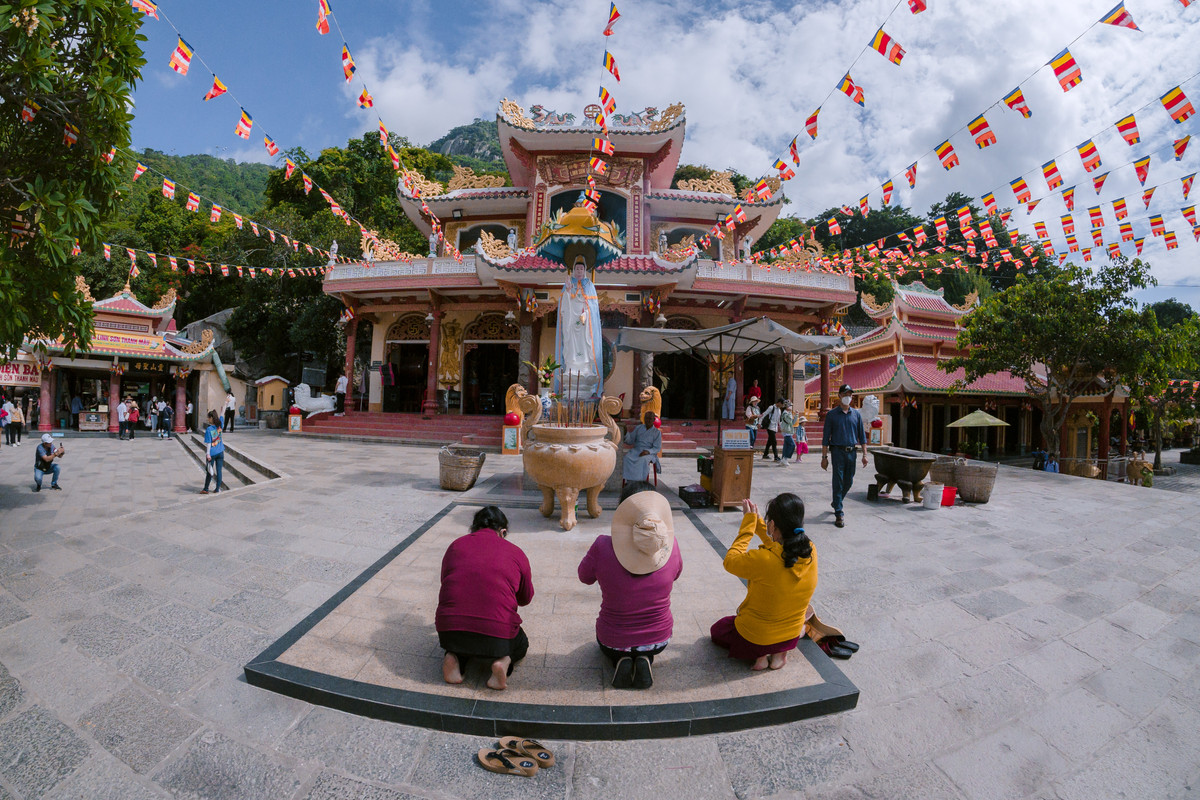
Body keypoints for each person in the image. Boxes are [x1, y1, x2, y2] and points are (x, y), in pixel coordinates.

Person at [578, 486, 683, 689]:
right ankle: (646, 658)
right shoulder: (672, 546)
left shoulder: (602, 545)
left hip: (611, 640)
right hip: (659, 639)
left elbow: (584, 577)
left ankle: (620, 659)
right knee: (647, 645)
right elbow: (676, 574)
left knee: (616, 645)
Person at [711, 494, 817, 670]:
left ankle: (760, 657)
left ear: (773, 525)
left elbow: (730, 561)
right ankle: (779, 655)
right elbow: (781, 546)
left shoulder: (763, 559)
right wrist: (760, 523)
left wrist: (748, 524)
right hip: (791, 635)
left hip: (757, 638)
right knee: (784, 625)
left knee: (718, 629)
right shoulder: (810, 549)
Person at [436, 505, 534, 691]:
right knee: (521, 643)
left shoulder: (455, 545)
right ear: (503, 532)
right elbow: (525, 598)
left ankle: (453, 658)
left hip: (449, 631)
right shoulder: (516, 552)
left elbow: (445, 581)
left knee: (462, 639)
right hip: (497, 635)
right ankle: (502, 662)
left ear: (474, 528)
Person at [821, 384, 868, 528]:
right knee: (838, 481)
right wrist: (824, 457)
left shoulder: (856, 415)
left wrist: (865, 454)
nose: (848, 397)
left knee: (849, 481)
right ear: (839, 396)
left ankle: (837, 501)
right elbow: (825, 438)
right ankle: (839, 512)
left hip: (852, 452)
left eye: (850, 395)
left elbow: (862, 436)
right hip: (837, 452)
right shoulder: (832, 415)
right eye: (845, 394)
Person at [622, 411, 662, 483]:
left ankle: (640, 482)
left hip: (649, 453)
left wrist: (647, 451)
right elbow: (630, 440)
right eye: (646, 418)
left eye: (650, 418)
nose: (648, 420)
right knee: (627, 458)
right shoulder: (638, 428)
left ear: (653, 420)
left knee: (642, 460)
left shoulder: (657, 432)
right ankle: (629, 481)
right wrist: (626, 433)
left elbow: (657, 448)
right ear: (644, 419)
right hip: (636, 450)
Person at [201, 410, 225, 494]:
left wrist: (208, 454)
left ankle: (206, 489)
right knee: (219, 471)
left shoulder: (209, 429)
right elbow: (222, 414)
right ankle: (217, 489)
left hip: (212, 453)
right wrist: (225, 405)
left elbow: (209, 443)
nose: (208, 419)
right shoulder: (220, 425)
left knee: (209, 471)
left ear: (211, 418)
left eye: (208, 418)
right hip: (220, 452)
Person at [759, 398, 784, 462]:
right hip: (770, 427)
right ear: (779, 403)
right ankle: (776, 456)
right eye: (782, 404)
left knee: (769, 442)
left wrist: (781, 427)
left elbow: (779, 420)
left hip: (775, 428)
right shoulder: (771, 407)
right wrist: (759, 423)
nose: (782, 406)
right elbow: (764, 414)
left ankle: (765, 454)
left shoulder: (779, 410)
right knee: (774, 442)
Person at [780, 401, 796, 466]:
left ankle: (783, 459)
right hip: (786, 432)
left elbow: (793, 422)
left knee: (786, 446)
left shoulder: (788, 413)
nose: (791, 407)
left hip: (788, 431)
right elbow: (789, 421)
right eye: (790, 406)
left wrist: (796, 415)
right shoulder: (785, 414)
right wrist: (790, 414)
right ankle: (785, 458)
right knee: (792, 445)